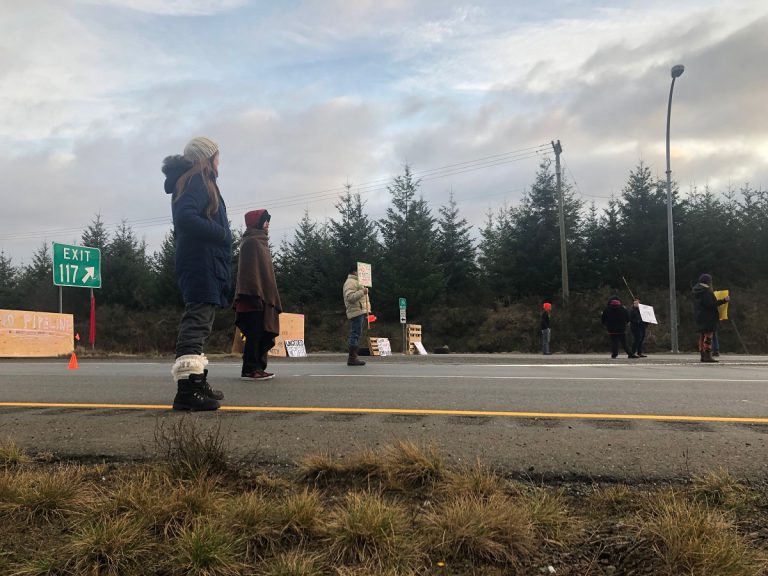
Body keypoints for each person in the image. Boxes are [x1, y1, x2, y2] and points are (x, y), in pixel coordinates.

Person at [162, 136, 231, 411]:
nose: (219, 161)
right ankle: (187, 390)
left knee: (202, 322)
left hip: (206, 264)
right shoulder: (197, 180)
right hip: (201, 264)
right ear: (206, 158)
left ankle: (197, 380)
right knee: (197, 321)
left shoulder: (198, 180)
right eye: (217, 155)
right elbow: (186, 217)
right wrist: (223, 234)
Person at [234, 209, 282, 380]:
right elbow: (248, 274)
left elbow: (264, 275)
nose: (268, 224)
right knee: (254, 334)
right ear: (257, 222)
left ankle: (258, 367)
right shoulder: (251, 243)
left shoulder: (261, 242)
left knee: (262, 332)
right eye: (265, 221)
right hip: (251, 297)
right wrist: (256, 293)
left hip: (262, 297)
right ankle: (249, 369)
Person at [692, 273, 729, 363]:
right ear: (708, 281)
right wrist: (723, 301)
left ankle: (702, 355)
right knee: (708, 336)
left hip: (699, 315)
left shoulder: (696, 290)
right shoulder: (706, 291)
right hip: (708, 316)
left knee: (702, 336)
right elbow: (710, 304)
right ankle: (707, 355)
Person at [343, 263, 368, 366]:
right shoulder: (351, 282)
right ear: (354, 271)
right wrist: (362, 291)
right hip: (356, 311)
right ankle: (352, 358)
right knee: (355, 334)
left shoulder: (356, 281)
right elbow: (350, 297)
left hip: (359, 311)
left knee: (357, 334)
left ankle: (353, 357)